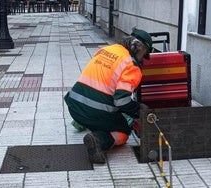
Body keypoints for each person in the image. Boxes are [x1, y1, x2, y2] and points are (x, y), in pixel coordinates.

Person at [64, 28, 153, 164]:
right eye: (144, 55)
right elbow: (121, 101)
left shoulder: (107, 49)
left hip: (74, 105)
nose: (143, 60)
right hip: (93, 112)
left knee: (104, 115)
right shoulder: (132, 66)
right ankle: (98, 140)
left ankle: (89, 124)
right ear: (140, 49)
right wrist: (139, 110)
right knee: (123, 131)